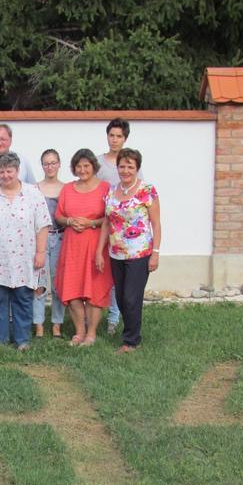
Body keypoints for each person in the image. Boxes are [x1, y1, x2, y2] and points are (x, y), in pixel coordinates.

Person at [0, 152, 50, 351]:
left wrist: (41, 252)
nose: (5, 175)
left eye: (9, 171)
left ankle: (22, 340)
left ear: (17, 171)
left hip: (25, 257)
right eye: (2, 171)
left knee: (23, 299)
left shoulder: (33, 193)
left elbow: (43, 225)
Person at [97, 148, 162, 353]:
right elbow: (106, 223)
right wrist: (100, 250)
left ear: (137, 168)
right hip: (116, 253)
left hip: (140, 254)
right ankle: (132, 331)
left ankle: (131, 341)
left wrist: (156, 252)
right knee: (120, 298)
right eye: (122, 166)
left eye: (130, 166)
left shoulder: (147, 191)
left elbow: (156, 224)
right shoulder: (111, 191)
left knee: (131, 298)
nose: (125, 170)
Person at [54, 148, 113, 346]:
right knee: (72, 291)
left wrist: (91, 223)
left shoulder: (106, 188)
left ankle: (91, 334)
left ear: (93, 167)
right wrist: (69, 221)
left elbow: (110, 217)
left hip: (96, 245)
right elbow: (59, 215)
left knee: (94, 291)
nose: (82, 169)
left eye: (86, 165)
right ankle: (79, 332)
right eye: (78, 166)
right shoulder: (68, 189)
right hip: (72, 247)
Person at [96, 118, 132, 335]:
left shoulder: (129, 162)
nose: (115, 139)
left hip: (122, 232)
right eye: (112, 135)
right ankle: (96, 312)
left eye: (119, 136)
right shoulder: (98, 163)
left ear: (125, 138)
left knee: (119, 276)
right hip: (100, 225)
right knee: (101, 271)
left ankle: (114, 317)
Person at [33, 149, 66, 339]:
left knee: (58, 284)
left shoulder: (66, 188)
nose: (50, 166)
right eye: (46, 163)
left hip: (61, 238)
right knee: (39, 284)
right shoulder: (35, 188)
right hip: (40, 240)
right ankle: (38, 325)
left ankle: (57, 324)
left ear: (59, 164)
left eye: (53, 162)